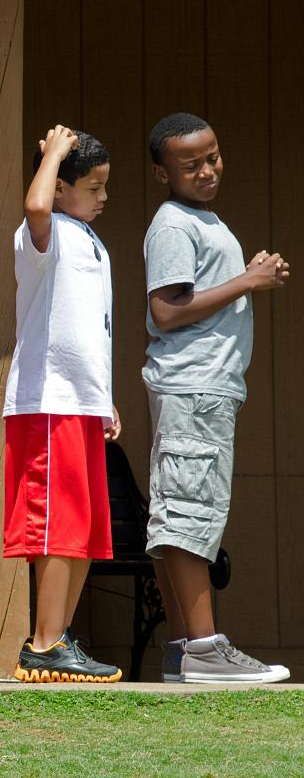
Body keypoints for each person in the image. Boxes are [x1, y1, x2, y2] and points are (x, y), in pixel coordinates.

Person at [143, 112, 290, 683]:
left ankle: (185, 650)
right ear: (162, 173)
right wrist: (249, 282)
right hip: (194, 387)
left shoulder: (201, 221)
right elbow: (167, 310)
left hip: (205, 388)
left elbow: (199, 293)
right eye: (190, 165)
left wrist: (244, 274)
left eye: (213, 157)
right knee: (188, 515)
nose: (207, 171)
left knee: (186, 514)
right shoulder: (176, 226)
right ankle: (205, 649)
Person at [5, 125, 122, 683]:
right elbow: (34, 203)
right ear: (59, 188)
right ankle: (44, 641)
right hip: (48, 400)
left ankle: (58, 638)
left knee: (82, 526)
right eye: (93, 186)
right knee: (55, 522)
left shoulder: (90, 242)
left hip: (81, 402)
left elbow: (91, 331)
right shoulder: (40, 237)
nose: (102, 196)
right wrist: (52, 154)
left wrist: (105, 400)